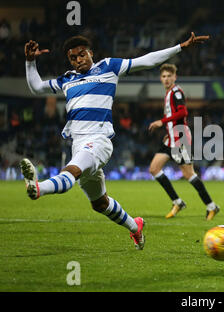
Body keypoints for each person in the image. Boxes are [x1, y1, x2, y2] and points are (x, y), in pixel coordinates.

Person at [21, 32, 210, 250]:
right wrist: (30, 61)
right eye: (73, 58)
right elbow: (36, 87)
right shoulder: (67, 79)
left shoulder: (108, 67)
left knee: (70, 172)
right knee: (100, 204)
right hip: (78, 144)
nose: (78, 60)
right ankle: (135, 227)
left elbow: (147, 60)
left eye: (82, 55)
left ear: (90, 53)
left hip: (99, 141)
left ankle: (38, 188)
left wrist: (180, 47)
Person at [148, 63, 220, 220]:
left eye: (169, 76)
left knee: (188, 174)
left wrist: (162, 121)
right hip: (171, 138)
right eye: (164, 76)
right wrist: (167, 131)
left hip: (180, 138)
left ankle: (211, 206)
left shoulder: (176, 92)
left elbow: (183, 112)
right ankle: (177, 202)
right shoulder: (168, 94)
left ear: (175, 77)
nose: (166, 79)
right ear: (161, 78)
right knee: (154, 168)